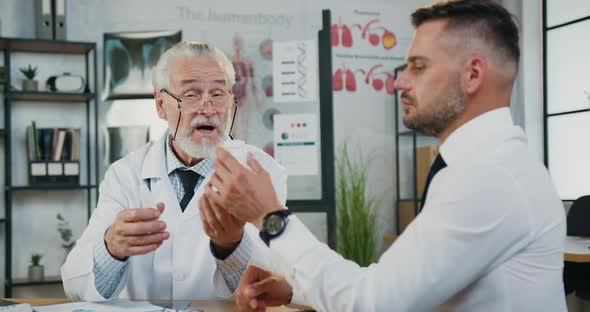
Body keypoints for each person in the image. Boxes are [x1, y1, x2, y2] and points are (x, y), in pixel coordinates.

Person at [203, 1, 567, 311]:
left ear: (473, 74)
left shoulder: (488, 177)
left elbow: (374, 303)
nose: (398, 81)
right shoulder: (484, 165)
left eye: (419, 67)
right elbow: (404, 285)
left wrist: (271, 217)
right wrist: (294, 289)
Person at [61, 41, 287, 301]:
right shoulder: (124, 175)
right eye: (191, 95)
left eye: (218, 94)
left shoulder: (262, 172)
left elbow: (270, 287)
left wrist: (231, 246)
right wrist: (111, 247)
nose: (209, 108)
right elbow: (74, 284)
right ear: (160, 104)